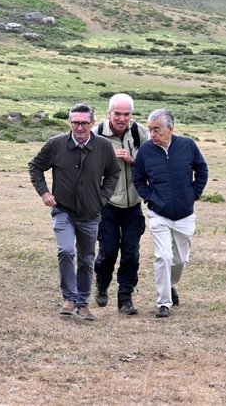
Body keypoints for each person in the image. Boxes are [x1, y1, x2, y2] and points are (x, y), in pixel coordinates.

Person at [29, 103, 120, 321]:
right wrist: (44, 193)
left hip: (91, 213)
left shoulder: (104, 146)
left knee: (87, 259)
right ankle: (69, 298)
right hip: (63, 211)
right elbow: (35, 166)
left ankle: (83, 303)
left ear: (92, 123)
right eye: (75, 123)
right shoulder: (56, 144)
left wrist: (103, 199)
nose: (79, 127)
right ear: (69, 122)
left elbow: (113, 174)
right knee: (66, 251)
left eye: (84, 123)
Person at [133, 109, 208, 318]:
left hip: (184, 213)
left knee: (180, 259)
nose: (152, 134)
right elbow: (138, 179)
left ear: (170, 129)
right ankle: (163, 303)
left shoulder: (188, 145)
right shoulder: (146, 151)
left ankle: (171, 284)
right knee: (163, 256)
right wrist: (151, 198)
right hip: (159, 213)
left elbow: (202, 170)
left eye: (156, 129)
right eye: (149, 129)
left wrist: (193, 194)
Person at [92, 93, 149, 315]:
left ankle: (125, 299)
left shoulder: (140, 133)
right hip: (106, 204)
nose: (122, 118)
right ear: (109, 113)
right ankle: (102, 283)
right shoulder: (97, 134)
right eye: (118, 113)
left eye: (126, 114)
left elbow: (149, 166)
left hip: (133, 204)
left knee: (131, 252)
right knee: (107, 249)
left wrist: (132, 160)